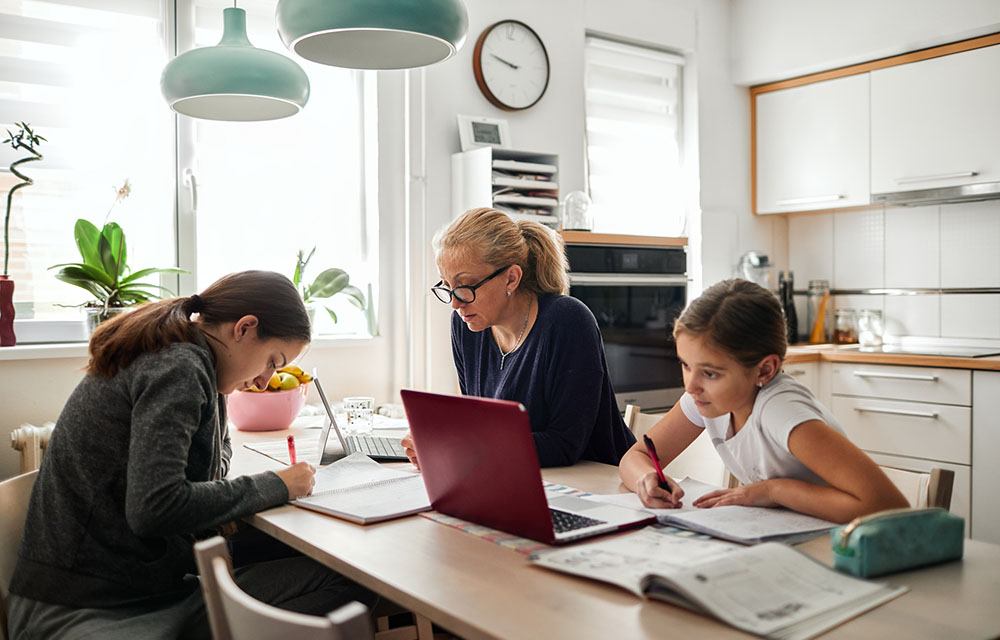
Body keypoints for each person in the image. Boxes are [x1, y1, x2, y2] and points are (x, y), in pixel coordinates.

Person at [7, 271, 373, 640]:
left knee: (347, 581)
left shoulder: (198, 360)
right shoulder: (179, 366)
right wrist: (277, 485)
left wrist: (222, 498)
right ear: (244, 328)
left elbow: (214, 455)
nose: (266, 380)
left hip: (137, 587)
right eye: (273, 362)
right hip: (86, 609)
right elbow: (155, 506)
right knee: (346, 594)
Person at [619, 278, 908, 523]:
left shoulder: (781, 411)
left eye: (710, 372)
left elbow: (889, 507)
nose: (691, 386)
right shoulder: (707, 398)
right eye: (685, 365)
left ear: (764, 370)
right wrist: (646, 479)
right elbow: (636, 457)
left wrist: (773, 491)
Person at [401, 207, 636, 468]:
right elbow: (478, 425)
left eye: (465, 287)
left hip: (600, 484)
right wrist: (439, 443)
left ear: (511, 278)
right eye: (447, 286)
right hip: (516, 476)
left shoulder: (568, 321)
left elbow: (565, 445)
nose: (455, 303)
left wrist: (461, 447)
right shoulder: (466, 325)